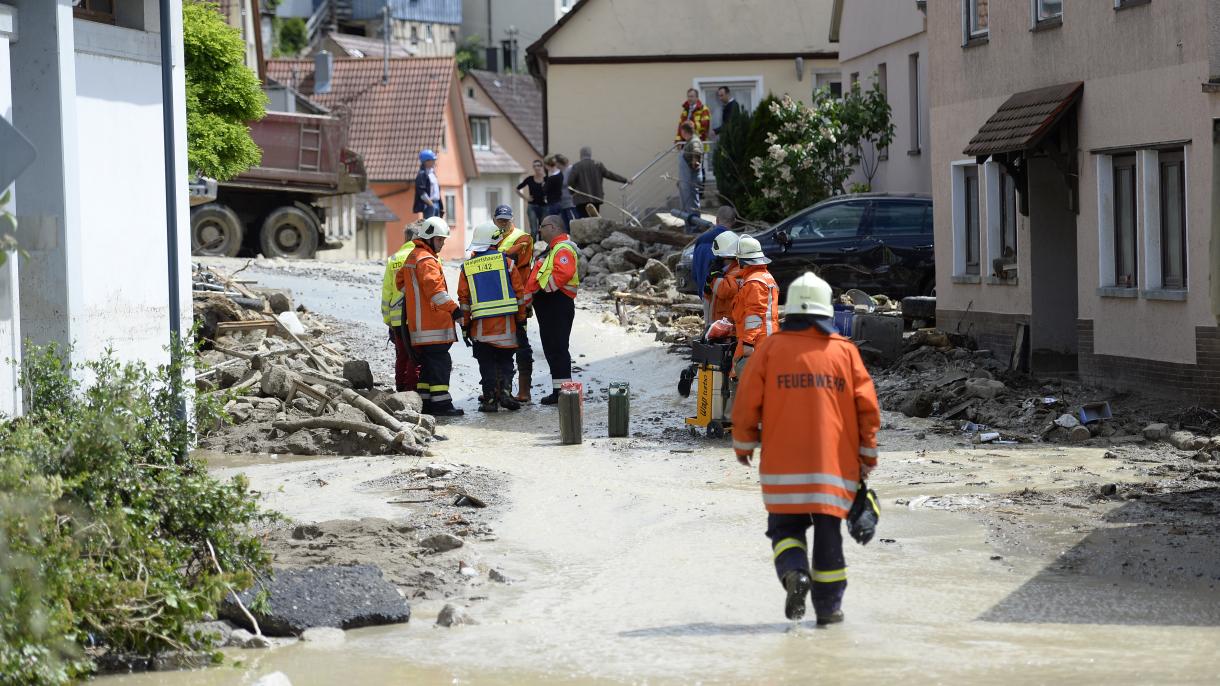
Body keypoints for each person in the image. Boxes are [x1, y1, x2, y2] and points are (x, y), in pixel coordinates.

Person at [731, 271, 880, 624]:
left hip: (783, 470)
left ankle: (794, 573)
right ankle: (829, 612)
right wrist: (867, 455)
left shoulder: (769, 349)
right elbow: (868, 409)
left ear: (791, 312)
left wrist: (743, 443)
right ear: (826, 312)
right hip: (834, 469)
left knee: (785, 531)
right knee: (830, 542)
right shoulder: (844, 352)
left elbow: (746, 401)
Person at [395, 216, 463, 416]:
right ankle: (442, 405)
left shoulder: (412, 256)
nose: (442, 244)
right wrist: (455, 310)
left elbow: (400, 283)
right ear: (429, 238)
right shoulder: (426, 260)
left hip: (418, 327)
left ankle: (427, 402)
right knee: (440, 364)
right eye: (440, 240)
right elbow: (436, 293)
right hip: (433, 325)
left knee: (427, 366)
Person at [458, 222, 527, 413]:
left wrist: (465, 326)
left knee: (486, 365)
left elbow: (464, 300)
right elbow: (519, 294)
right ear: (495, 241)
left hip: (481, 329)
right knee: (505, 362)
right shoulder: (508, 263)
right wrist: (521, 319)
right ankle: (505, 393)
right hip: (506, 327)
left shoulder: (467, 267)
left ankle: (489, 400)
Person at [525, 215, 579, 405]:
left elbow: (563, 273)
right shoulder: (553, 249)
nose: (540, 230)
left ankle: (564, 393)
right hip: (551, 305)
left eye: (542, 226)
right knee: (552, 348)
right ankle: (559, 391)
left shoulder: (562, 248)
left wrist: (544, 290)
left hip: (557, 303)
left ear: (554, 227)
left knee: (557, 348)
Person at [492, 204, 537, 402]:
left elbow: (510, 258)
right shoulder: (490, 236)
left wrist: (488, 256)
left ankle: (524, 390)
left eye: (506, 220)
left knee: (521, 343)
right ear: (494, 220)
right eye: (500, 220)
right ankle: (499, 388)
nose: (503, 224)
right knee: (497, 344)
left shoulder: (523, 237)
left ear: (512, 220)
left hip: (518, 299)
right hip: (496, 299)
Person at [730, 235, 780, 376]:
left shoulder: (754, 282)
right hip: (766, 337)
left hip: (759, 340)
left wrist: (748, 342)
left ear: (742, 260)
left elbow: (754, 315)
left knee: (748, 379)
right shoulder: (764, 276)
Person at [381, 226, 421, 393]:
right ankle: (412, 391)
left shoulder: (393, 259)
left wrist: (387, 320)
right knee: (415, 356)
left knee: (402, 355)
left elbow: (387, 292)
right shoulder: (422, 257)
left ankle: (400, 391)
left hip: (397, 318)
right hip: (415, 316)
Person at [691, 206, 736, 321]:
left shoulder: (701, 240)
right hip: (725, 298)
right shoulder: (734, 242)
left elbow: (695, 272)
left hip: (705, 294)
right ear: (734, 221)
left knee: (709, 330)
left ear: (716, 220)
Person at [568, 147, 630, 219]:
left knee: (583, 220)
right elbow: (609, 175)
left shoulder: (577, 166)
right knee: (594, 219)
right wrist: (625, 180)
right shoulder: (598, 164)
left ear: (581, 155)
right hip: (595, 198)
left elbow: (570, 181)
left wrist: (572, 192)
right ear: (590, 154)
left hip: (581, 198)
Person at [705, 230, 741, 324]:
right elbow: (708, 297)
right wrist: (708, 283)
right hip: (717, 326)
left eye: (718, 256)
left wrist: (716, 277)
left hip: (729, 330)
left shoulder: (738, 271)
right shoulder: (724, 271)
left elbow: (725, 291)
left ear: (724, 256)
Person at [677, 121, 704, 214]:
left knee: (692, 205)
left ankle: (695, 227)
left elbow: (696, 151)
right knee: (687, 205)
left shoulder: (694, 141)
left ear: (684, 131)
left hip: (691, 179)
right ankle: (690, 227)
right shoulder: (689, 142)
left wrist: (695, 162)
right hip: (686, 180)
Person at [516, 160, 547, 238]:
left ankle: (543, 248)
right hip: (532, 206)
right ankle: (531, 248)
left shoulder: (547, 179)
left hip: (544, 206)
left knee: (543, 229)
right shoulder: (530, 179)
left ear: (542, 166)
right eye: (534, 166)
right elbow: (517, 189)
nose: (536, 167)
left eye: (538, 165)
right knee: (534, 230)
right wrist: (526, 198)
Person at [413, 149, 442, 220]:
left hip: (436, 204)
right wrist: (430, 204)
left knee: (437, 226)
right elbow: (421, 192)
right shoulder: (422, 174)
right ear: (426, 161)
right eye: (432, 160)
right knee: (430, 227)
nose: (434, 162)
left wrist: (440, 206)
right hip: (429, 205)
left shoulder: (432, 173)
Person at [555, 154, 577, 231]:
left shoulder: (570, 170)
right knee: (565, 226)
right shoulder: (560, 173)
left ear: (559, 162)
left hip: (570, 203)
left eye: (556, 162)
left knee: (572, 224)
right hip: (562, 203)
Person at [543, 155, 565, 220]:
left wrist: (544, 184)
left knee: (553, 222)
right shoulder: (561, 174)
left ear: (547, 165)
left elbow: (544, 190)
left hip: (552, 203)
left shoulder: (551, 178)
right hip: (561, 202)